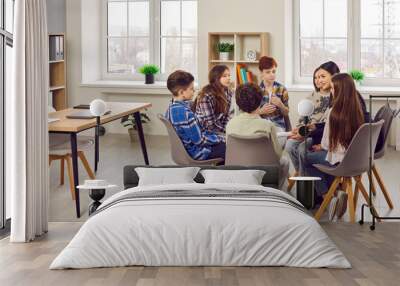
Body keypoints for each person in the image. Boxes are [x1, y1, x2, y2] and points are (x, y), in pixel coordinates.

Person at [303, 73, 366, 219]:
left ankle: (329, 197)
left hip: (340, 161)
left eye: (332, 88)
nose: (331, 91)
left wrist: (322, 146)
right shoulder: (357, 110)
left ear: (339, 90)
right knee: (319, 156)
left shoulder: (333, 112)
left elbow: (326, 144)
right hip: (357, 159)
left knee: (306, 157)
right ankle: (335, 192)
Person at [226, 83, 289, 189]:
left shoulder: (230, 124)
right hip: (264, 173)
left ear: (237, 102)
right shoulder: (267, 126)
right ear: (260, 102)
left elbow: (229, 149)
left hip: (237, 171)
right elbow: (277, 155)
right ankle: (276, 192)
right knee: (285, 161)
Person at [286, 61, 339, 175]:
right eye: (316, 77)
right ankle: (303, 175)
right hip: (309, 131)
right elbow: (302, 119)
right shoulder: (310, 97)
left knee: (302, 149)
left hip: (319, 135)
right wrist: (300, 130)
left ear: (334, 76)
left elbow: (330, 125)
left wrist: (306, 132)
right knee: (290, 145)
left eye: (322, 76)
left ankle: (309, 178)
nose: (318, 80)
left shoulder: (336, 96)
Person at [165, 70, 226, 161]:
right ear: (181, 92)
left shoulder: (172, 107)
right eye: (191, 89)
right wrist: (220, 138)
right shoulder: (185, 113)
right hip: (198, 152)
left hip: (188, 149)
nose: (194, 91)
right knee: (229, 148)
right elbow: (200, 140)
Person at [257, 56, 290, 142]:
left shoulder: (282, 89)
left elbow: (286, 113)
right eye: (268, 72)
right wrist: (261, 111)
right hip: (260, 126)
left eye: (274, 71)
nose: (272, 74)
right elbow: (248, 114)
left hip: (278, 126)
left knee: (276, 143)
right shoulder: (255, 90)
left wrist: (280, 105)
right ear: (261, 73)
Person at [194, 65, 233, 134]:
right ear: (216, 78)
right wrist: (228, 132)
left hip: (218, 130)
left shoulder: (228, 92)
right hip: (203, 131)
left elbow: (226, 116)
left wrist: (228, 129)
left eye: (229, 75)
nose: (228, 78)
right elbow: (210, 125)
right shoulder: (206, 96)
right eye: (224, 76)